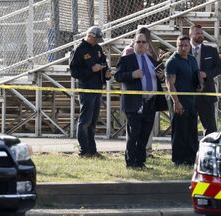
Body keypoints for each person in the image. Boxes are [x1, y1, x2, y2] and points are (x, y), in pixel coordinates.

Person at [115, 33, 168, 169]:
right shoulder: (127, 59)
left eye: (144, 42)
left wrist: (161, 77)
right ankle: (131, 162)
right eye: (138, 42)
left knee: (145, 133)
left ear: (148, 44)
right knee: (134, 133)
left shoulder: (151, 60)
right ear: (134, 43)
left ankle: (140, 162)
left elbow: (158, 78)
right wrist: (132, 74)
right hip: (134, 102)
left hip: (150, 102)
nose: (141, 44)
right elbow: (118, 76)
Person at [69, 26, 111, 157]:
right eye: (96, 39)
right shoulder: (79, 49)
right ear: (90, 36)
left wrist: (107, 74)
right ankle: (84, 151)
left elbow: (103, 64)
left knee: (93, 121)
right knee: (85, 121)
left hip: (98, 88)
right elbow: (74, 72)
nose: (97, 41)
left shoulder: (98, 49)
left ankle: (92, 150)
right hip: (86, 89)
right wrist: (91, 70)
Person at [165, 35, 200, 166]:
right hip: (179, 101)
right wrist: (176, 102)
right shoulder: (172, 61)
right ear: (177, 45)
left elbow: (196, 76)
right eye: (181, 46)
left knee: (191, 130)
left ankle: (191, 159)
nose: (183, 48)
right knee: (179, 131)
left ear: (189, 46)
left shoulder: (192, 59)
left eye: (186, 45)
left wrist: (200, 83)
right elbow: (170, 84)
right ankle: (178, 160)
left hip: (192, 100)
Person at [190, 25, 221, 136]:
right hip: (188, 93)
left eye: (201, 33)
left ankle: (209, 149)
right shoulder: (183, 49)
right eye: (197, 33)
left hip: (206, 94)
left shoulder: (211, 51)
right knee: (188, 126)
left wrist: (206, 74)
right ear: (191, 35)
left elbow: (219, 68)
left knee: (210, 127)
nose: (200, 35)